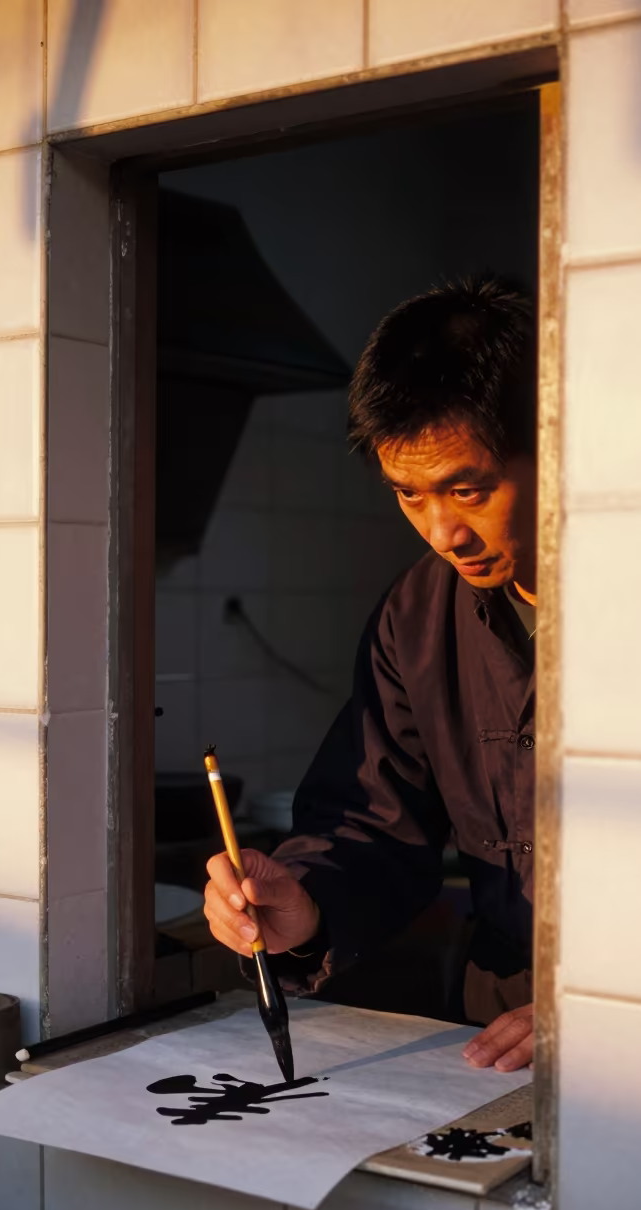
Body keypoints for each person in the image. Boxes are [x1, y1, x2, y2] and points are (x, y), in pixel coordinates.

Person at [204, 277, 537, 1073]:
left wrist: (621, 1008)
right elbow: (376, 822)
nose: (443, 531)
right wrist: (305, 906)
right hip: (494, 1036)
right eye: (410, 496)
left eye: (468, 489)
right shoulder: (419, 616)